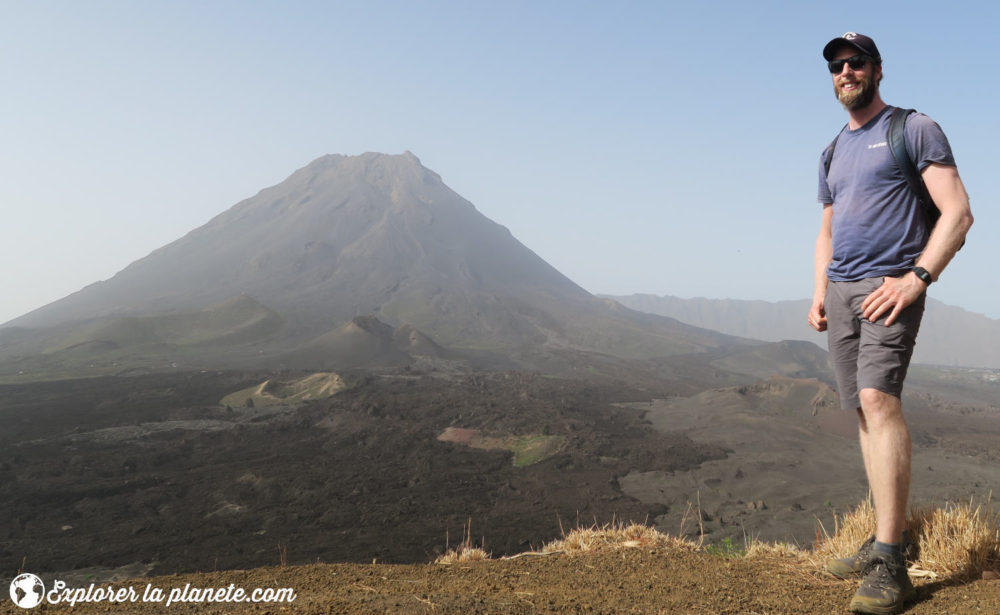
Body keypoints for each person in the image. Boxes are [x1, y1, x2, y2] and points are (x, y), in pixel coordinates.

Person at [809, 32, 973, 614]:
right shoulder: (831, 150)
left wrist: (915, 280)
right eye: (836, 65)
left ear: (878, 70)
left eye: (855, 63)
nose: (845, 72)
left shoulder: (913, 128)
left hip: (889, 289)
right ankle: (882, 539)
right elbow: (827, 229)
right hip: (843, 292)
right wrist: (818, 291)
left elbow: (957, 212)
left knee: (880, 400)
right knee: (861, 407)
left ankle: (890, 561)